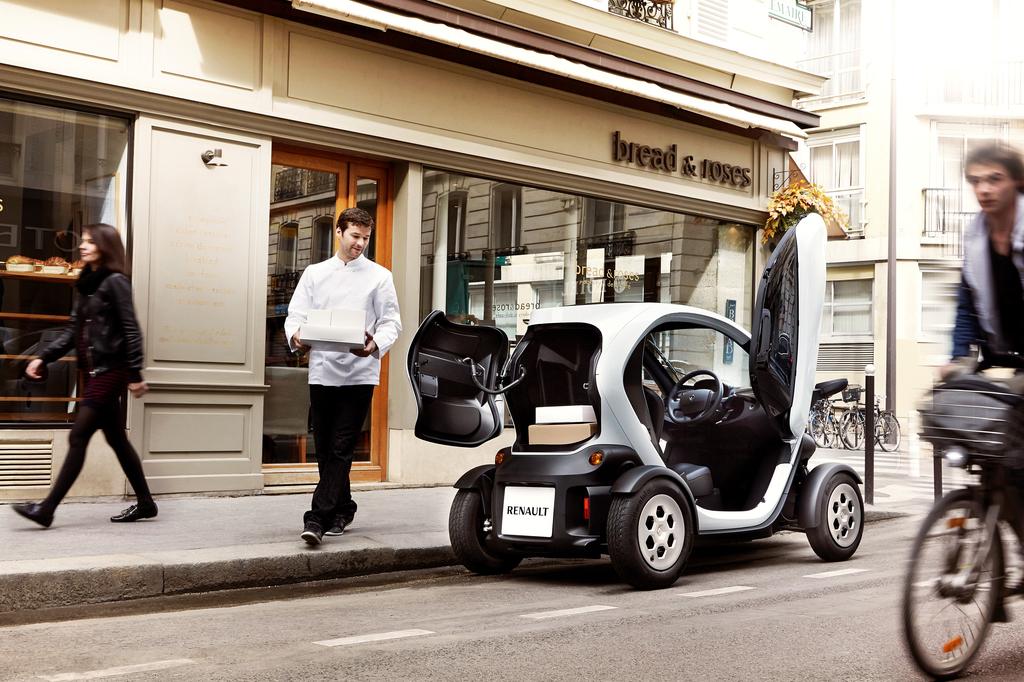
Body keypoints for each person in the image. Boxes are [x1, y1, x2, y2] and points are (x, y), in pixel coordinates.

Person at [11, 223, 156, 528]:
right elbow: (71, 331)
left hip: (110, 371)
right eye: (84, 242)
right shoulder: (87, 283)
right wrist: (43, 357)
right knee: (117, 440)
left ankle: (47, 509)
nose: (82, 246)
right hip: (93, 372)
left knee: (78, 436)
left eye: (89, 242)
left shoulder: (116, 281)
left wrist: (134, 372)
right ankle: (146, 503)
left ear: (104, 246)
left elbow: (131, 329)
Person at [285, 207, 401, 546]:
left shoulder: (380, 276)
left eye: (366, 238)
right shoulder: (315, 273)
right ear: (339, 233)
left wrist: (374, 344)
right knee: (326, 448)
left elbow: (392, 322)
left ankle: (317, 518)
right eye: (355, 236)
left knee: (340, 446)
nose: (360, 244)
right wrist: (296, 337)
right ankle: (344, 506)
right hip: (322, 370)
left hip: (360, 372)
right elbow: (296, 315)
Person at [948, 143, 1024, 369]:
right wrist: (958, 358)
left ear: (1017, 180)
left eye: (995, 179)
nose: (984, 189)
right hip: (1003, 356)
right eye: (975, 181)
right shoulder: (975, 237)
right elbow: (967, 305)